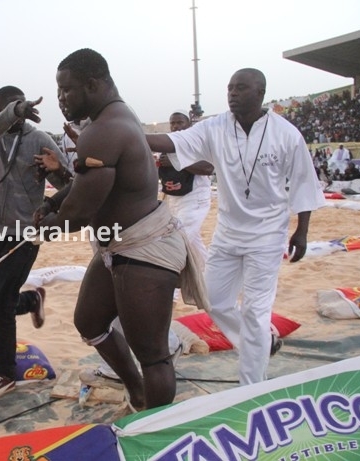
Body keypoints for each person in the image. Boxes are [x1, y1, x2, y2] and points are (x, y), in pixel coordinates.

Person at [35, 49, 205, 412]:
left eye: (66, 90)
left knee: (153, 354)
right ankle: (137, 391)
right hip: (118, 246)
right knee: (90, 321)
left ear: (92, 85)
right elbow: (85, 185)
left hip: (144, 246)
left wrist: (47, 226)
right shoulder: (114, 119)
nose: (60, 100)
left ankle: (155, 433)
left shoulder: (103, 129)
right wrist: (52, 203)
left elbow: (80, 211)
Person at [146, 68, 325, 386]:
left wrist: (302, 231)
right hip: (228, 233)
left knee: (257, 311)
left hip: (268, 236)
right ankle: (261, 343)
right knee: (213, 300)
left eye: (241, 88)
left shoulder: (286, 134)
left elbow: (303, 184)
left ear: (260, 92)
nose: (232, 93)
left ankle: (251, 389)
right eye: (229, 88)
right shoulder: (214, 127)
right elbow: (171, 141)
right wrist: (125, 136)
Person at [0, 85, 71, 400]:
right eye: (7, 108)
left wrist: (60, 171)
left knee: (0, 302)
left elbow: (67, 184)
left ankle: (5, 374)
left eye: (18, 105)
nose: (14, 112)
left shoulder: (40, 139)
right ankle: (31, 301)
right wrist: (14, 111)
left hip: (26, 232)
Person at [156, 110, 213, 265]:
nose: (176, 126)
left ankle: (171, 288)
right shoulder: (168, 145)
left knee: (175, 242)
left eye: (180, 122)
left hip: (194, 199)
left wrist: (178, 161)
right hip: (173, 200)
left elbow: (208, 168)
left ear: (188, 124)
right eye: (172, 123)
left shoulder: (198, 143)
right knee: (193, 244)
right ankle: (208, 274)